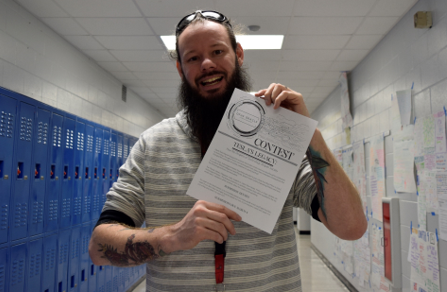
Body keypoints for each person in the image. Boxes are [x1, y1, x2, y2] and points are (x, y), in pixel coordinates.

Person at [89, 10, 367, 292]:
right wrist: (173, 235)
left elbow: (351, 227)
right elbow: (99, 247)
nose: (207, 64)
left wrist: (309, 134)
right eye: (193, 58)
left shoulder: (277, 137)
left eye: (217, 51)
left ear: (239, 55)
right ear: (180, 69)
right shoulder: (153, 145)